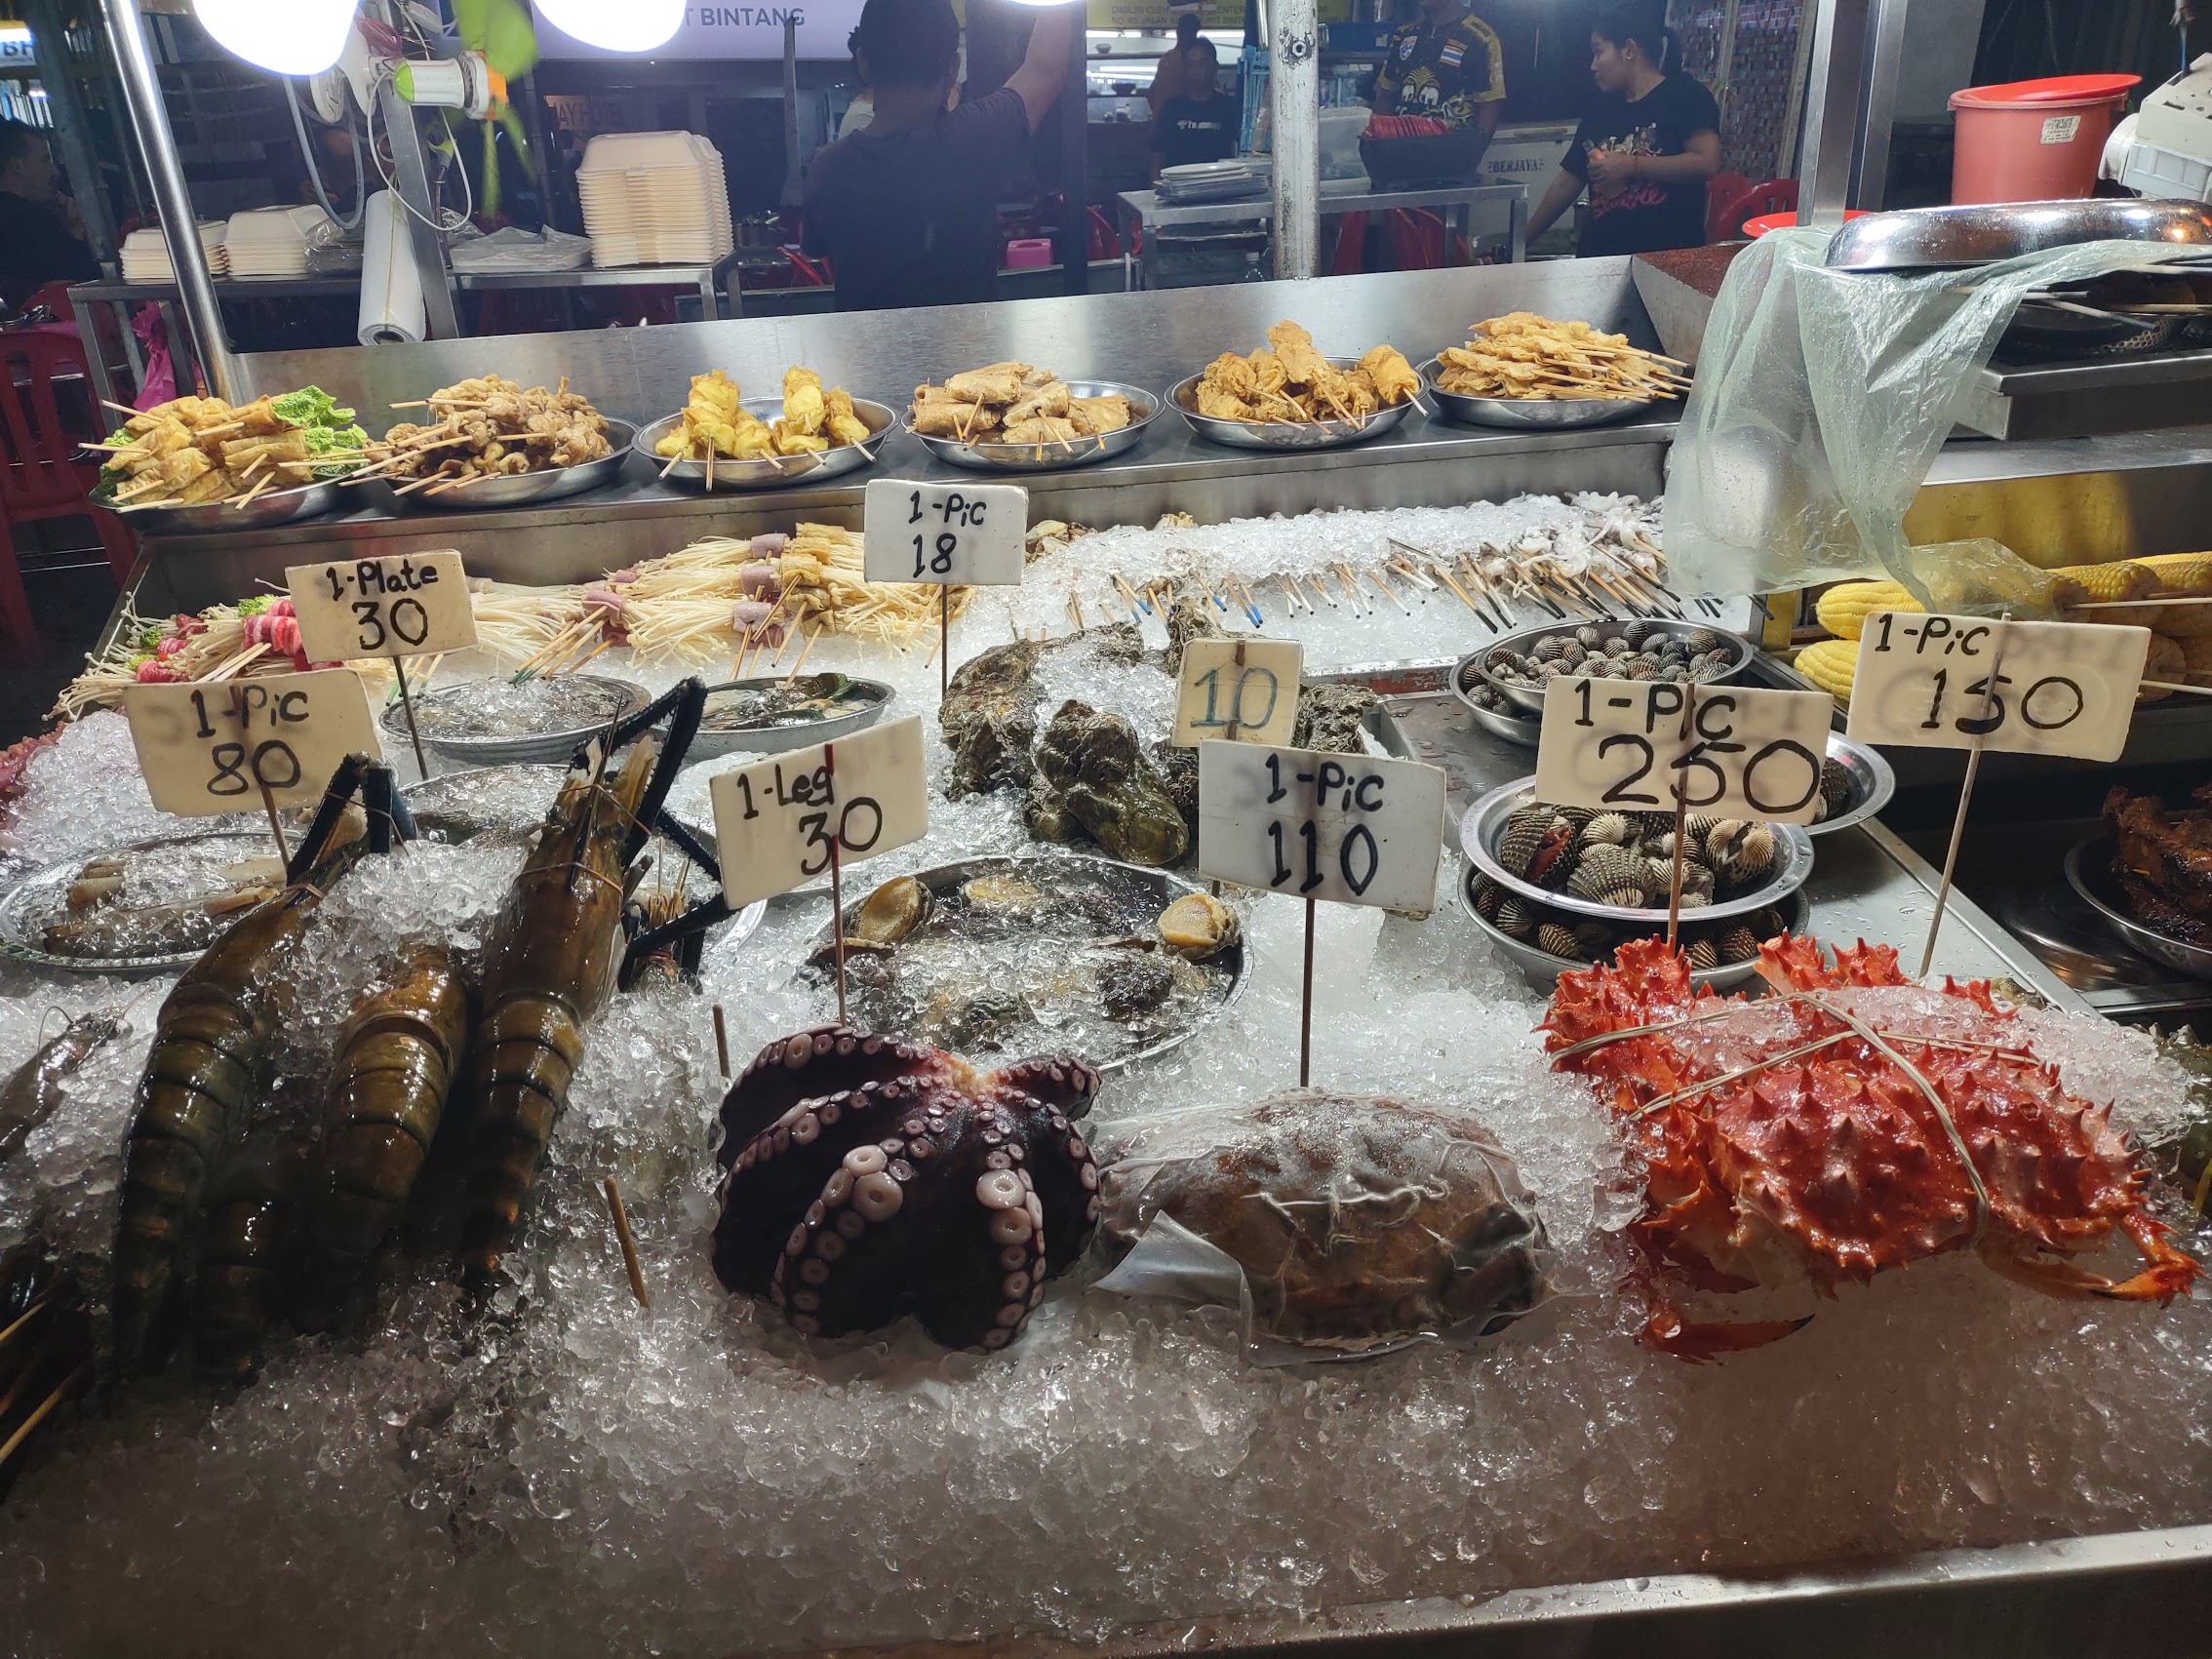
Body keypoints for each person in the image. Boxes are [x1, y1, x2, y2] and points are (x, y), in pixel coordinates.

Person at [804, 0, 1075, 313]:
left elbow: (815, 248)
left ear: (863, 62)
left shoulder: (826, 169)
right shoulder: (978, 137)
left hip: (867, 346)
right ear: (954, 67)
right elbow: (1046, 68)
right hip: (970, 346)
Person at [1526, 0, 1720, 257]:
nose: (1593, 65)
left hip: (1668, 260)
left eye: (1598, 52)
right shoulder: (1600, 108)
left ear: (1628, 50)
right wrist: (1520, 242)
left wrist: (1630, 165)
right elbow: (1566, 184)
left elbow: (1705, 163)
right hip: (1600, 260)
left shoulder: (1685, 95)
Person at [1368, 0, 1506, 139]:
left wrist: (1472, 150)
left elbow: (1489, 105)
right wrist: (1382, 142)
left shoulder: (1479, 37)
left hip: (1452, 147)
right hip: (1403, 146)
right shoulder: (1405, 34)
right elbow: (1385, 96)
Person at [0, 121, 96, 309]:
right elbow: (82, 283)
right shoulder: (31, 220)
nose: (54, 171)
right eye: (45, 160)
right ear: (17, 165)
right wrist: (76, 232)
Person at [1150, 40, 1236, 180]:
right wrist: (1156, 188)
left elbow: (1237, 152)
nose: (1196, 72)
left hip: (1219, 186)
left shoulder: (1228, 107)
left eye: (1202, 64)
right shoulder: (1171, 108)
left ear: (1215, 67)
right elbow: (1157, 155)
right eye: (1190, 65)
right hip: (1178, 187)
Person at [1146, 13, 1205, 115]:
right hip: (1181, 118)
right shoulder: (1189, 61)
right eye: (1192, 32)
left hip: (1164, 117)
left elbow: (1151, 93)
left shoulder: (1167, 58)